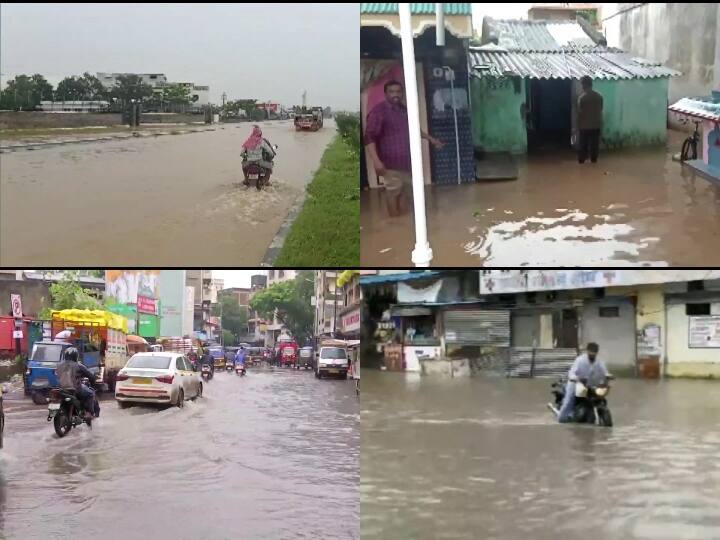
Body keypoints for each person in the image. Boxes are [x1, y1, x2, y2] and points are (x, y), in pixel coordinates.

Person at [364, 80, 444, 216]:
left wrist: (432, 140)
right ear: (385, 94)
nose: (395, 94)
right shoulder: (379, 112)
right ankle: (394, 224)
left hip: (408, 162)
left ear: (402, 93)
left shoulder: (404, 110)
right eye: (391, 91)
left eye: (398, 91)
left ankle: (402, 226)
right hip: (390, 163)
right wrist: (376, 161)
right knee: (393, 193)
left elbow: (415, 130)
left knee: (405, 194)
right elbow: (369, 137)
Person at [558, 343, 609, 423]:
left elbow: (605, 372)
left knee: (600, 397)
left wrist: (608, 376)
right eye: (591, 353)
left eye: (594, 353)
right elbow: (572, 373)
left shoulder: (599, 362)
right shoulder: (580, 360)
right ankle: (561, 419)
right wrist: (575, 378)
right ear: (587, 351)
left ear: (597, 352)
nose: (592, 355)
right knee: (568, 402)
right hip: (576, 384)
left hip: (591, 385)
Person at [56, 347, 99, 420]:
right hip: (75, 389)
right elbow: (90, 375)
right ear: (76, 356)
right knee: (90, 394)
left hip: (61, 389)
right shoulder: (78, 365)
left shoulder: (59, 365)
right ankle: (89, 413)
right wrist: (94, 378)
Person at [577, 76, 603, 164]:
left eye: (582, 84)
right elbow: (601, 109)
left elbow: (580, 112)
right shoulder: (599, 96)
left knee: (583, 145)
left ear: (584, 85)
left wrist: (577, 125)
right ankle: (594, 160)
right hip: (596, 125)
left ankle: (581, 161)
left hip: (584, 126)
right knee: (594, 145)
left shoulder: (582, 98)